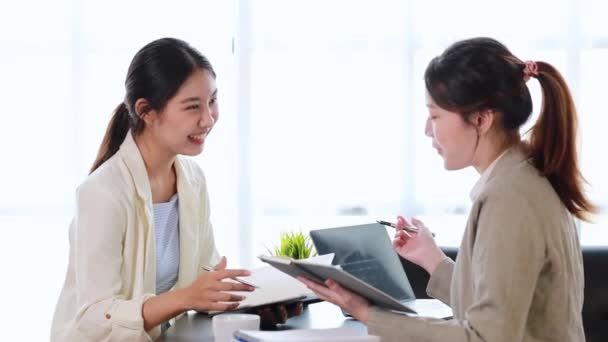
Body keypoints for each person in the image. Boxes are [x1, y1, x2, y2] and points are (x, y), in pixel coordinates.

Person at [299, 37, 595, 341]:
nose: (428, 130)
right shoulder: (522, 177)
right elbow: (496, 312)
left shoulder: (510, 197)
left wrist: (367, 314)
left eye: (435, 115)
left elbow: (485, 336)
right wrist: (432, 259)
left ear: (481, 119)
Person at [51, 37, 301, 341]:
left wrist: (250, 303)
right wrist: (187, 298)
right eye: (192, 106)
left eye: (212, 101)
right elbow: (95, 316)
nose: (208, 119)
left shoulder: (192, 179)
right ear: (146, 111)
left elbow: (202, 279)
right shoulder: (103, 192)